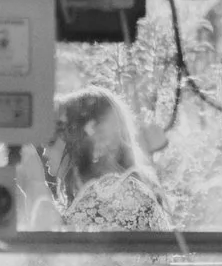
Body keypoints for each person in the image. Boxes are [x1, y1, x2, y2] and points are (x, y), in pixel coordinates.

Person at [38, 87, 172, 232]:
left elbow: (60, 250)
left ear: (82, 140)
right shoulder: (115, 192)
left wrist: (33, 183)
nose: (44, 150)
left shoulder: (118, 194)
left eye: (50, 139)